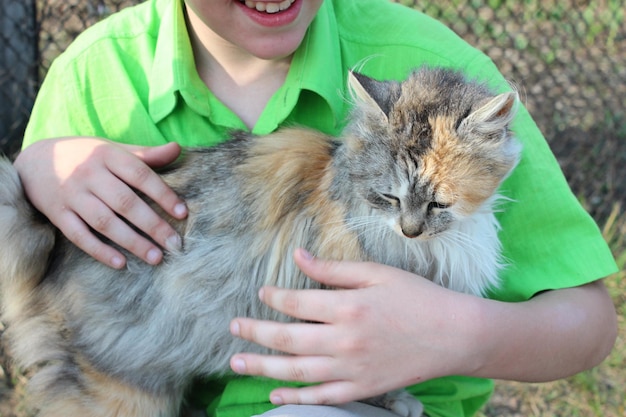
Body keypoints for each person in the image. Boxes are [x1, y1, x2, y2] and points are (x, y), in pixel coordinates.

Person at [15, 0, 618, 416]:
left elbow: (590, 324)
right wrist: (34, 171)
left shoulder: (430, 70)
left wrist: (461, 334)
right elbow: (39, 290)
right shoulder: (95, 78)